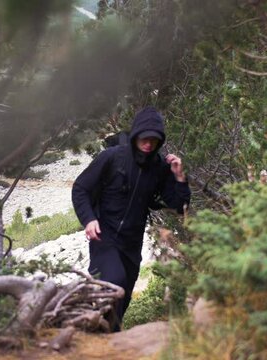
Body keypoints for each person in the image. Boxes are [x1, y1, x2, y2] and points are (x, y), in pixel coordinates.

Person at [71, 106, 191, 331]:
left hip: (132, 245)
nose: (148, 144)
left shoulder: (159, 168)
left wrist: (180, 178)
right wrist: (88, 219)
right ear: (136, 135)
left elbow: (179, 206)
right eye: (145, 138)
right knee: (113, 284)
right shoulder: (112, 157)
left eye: (154, 141)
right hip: (104, 238)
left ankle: (106, 342)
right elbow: (80, 188)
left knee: (122, 299)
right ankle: (85, 333)